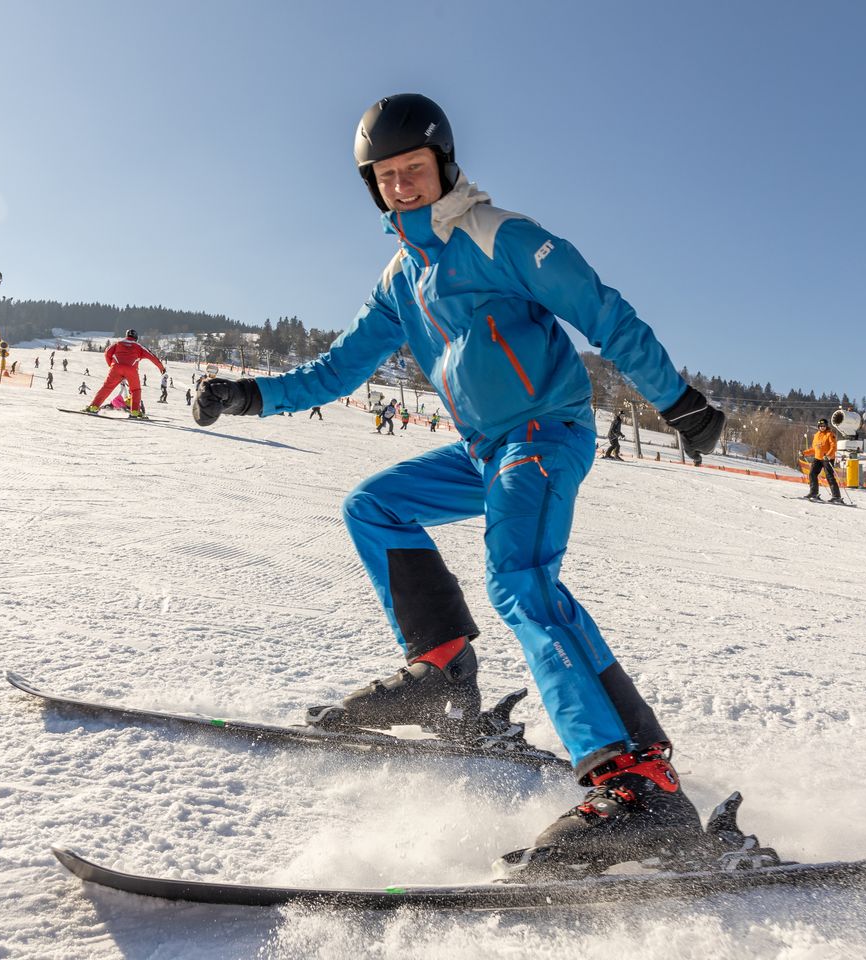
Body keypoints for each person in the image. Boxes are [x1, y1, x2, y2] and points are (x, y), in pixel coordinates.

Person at [191, 93, 725, 876]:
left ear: (444, 165)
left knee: (520, 579)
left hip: (545, 433)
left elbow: (602, 312)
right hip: (485, 450)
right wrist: (251, 393)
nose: (401, 186)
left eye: (413, 169)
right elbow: (337, 370)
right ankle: (440, 672)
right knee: (376, 506)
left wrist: (677, 399)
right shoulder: (400, 279)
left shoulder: (501, 236)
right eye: (385, 176)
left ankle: (638, 781)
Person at [86, 330, 165, 417]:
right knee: (135, 390)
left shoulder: (118, 343)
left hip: (116, 368)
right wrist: (162, 368)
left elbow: (107, 352)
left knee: (107, 387)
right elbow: (152, 357)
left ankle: (94, 407)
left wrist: (111, 365)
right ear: (136, 338)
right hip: (131, 370)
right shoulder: (139, 346)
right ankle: (135, 412)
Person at [803, 418, 842, 502]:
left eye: (824, 426)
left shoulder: (830, 434)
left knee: (829, 476)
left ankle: (836, 496)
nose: (822, 427)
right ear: (818, 426)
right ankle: (813, 493)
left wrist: (828, 455)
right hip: (818, 458)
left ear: (826, 426)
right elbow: (814, 449)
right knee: (812, 474)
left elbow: (833, 447)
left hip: (827, 459)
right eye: (820, 426)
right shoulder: (816, 435)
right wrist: (804, 453)